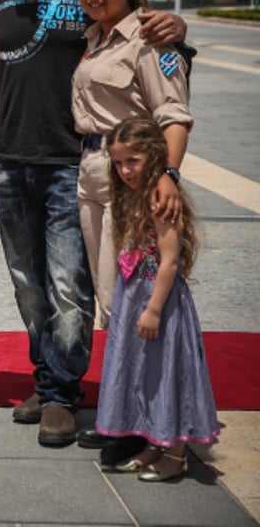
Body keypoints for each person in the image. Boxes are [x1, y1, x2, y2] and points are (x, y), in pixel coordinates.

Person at [0, 0, 187, 446]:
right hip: (11, 164)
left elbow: (147, 41)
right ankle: (48, 380)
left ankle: (62, 396)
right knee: (28, 286)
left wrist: (176, 31)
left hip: (75, 165)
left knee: (71, 285)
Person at [71, 0, 192, 329]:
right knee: (104, 295)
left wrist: (168, 175)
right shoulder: (93, 39)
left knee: (123, 292)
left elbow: (174, 116)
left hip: (129, 176)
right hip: (89, 170)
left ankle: (139, 388)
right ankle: (121, 385)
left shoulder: (150, 41)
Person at [97, 117, 218, 482]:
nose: (124, 170)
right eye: (118, 163)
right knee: (144, 370)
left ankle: (176, 453)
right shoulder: (131, 196)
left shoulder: (159, 199)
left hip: (157, 299)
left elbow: (169, 260)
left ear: (152, 156)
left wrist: (152, 309)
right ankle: (153, 442)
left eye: (132, 160)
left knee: (167, 370)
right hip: (137, 294)